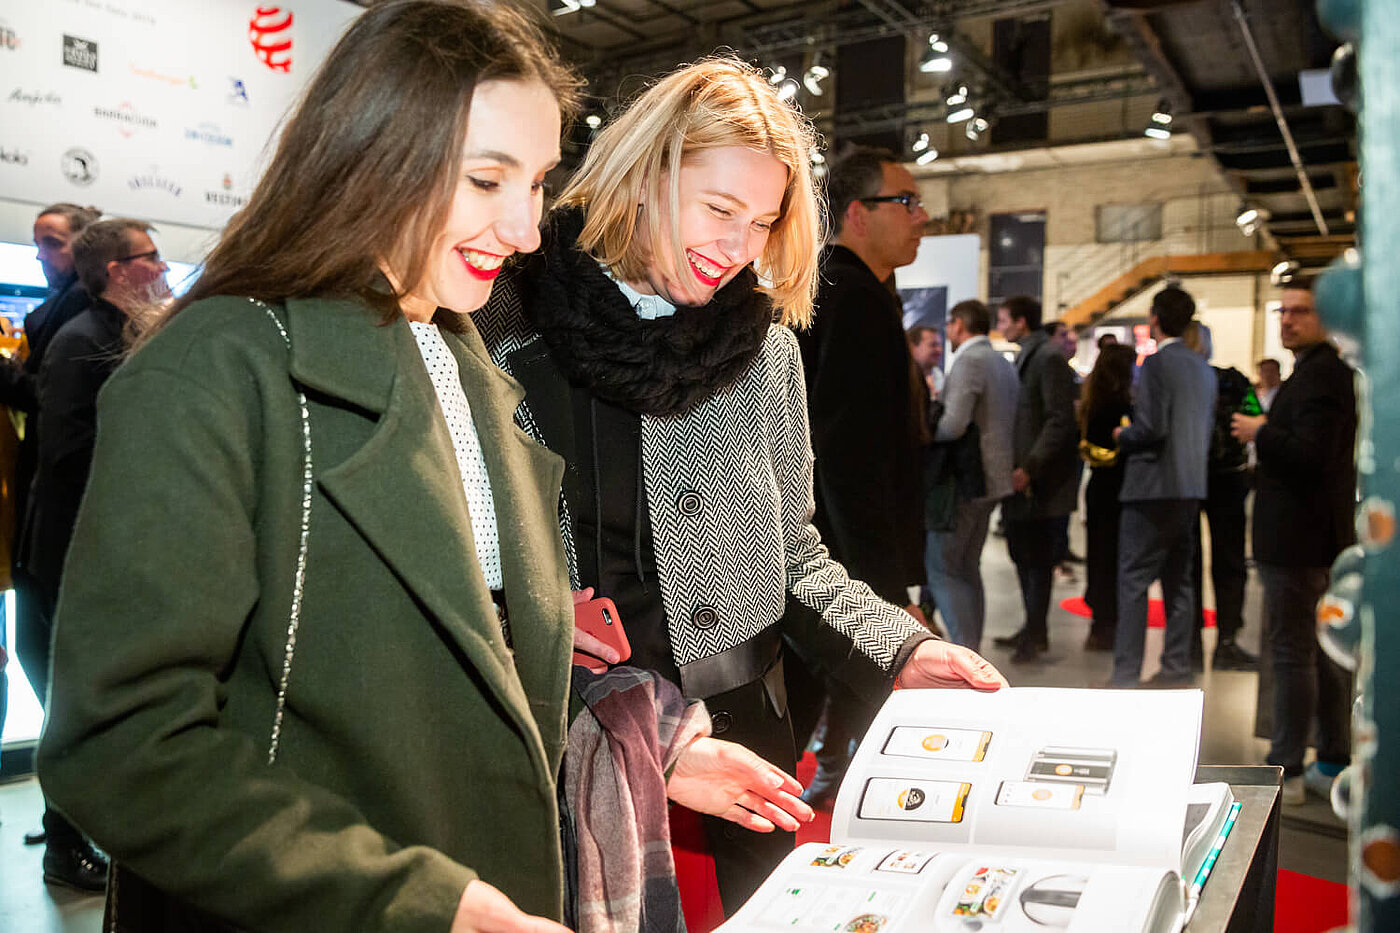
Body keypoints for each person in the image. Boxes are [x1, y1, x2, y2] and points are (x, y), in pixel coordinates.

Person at [37, 6, 809, 931]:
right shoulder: (216, 366)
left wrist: (653, 739)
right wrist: (418, 900)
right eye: (488, 180)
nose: (526, 229)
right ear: (373, 154)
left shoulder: (467, 361)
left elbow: (469, 653)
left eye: (535, 184)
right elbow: (124, 743)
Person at [476, 62, 1008, 912]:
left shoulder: (764, 353)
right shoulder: (505, 324)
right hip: (568, 744)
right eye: (720, 209)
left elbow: (793, 554)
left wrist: (899, 649)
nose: (738, 247)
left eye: (762, 222)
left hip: (749, 744)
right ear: (643, 176)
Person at [795, 146, 935, 809]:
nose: (921, 215)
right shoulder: (850, 297)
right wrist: (885, 590)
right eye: (905, 202)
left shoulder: (856, 290)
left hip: (830, 561)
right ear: (857, 213)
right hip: (838, 567)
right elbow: (849, 458)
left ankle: (830, 770)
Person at [0, 200, 105, 889]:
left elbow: (55, 420)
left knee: (62, 682)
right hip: (42, 530)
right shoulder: (60, 317)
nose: (41, 253)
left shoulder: (79, 328)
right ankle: (65, 822)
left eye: (53, 242)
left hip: (61, 535)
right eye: (38, 242)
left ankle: (69, 833)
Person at [1231, 279, 1355, 806]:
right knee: (1317, 654)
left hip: (1299, 541)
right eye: (1284, 311)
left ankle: (1287, 768)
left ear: (1326, 319)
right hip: (1308, 538)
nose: (1288, 320)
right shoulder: (1315, 374)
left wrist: (1260, 431)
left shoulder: (1322, 377)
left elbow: (1310, 457)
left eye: (1300, 312)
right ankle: (1328, 758)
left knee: (1292, 653)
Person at [1109, 286, 1215, 688]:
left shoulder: (1155, 365)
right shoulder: (1202, 367)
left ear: (1154, 318)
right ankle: (1175, 669)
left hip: (1150, 488)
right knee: (1180, 584)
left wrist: (1123, 435)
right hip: (1189, 487)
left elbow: (1151, 428)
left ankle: (1124, 677)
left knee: (1134, 583)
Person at [924, 299, 1019, 651]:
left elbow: (952, 425)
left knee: (943, 569)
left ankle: (964, 652)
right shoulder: (1001, 361)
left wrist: (925, 422)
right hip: (993, 479)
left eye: (949, 326)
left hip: (966, 480)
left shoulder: (970, 360)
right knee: (966, 567)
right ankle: (972, 648)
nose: (946, 333)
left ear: (960, 325)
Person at [993, 296, 1079, 663]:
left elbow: (1059, 421)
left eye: (1005, 320)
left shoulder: (1047, 358)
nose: (1002, 326)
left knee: (1037, 560)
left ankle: (1035, 633)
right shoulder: (1033, 356)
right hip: (1026, 480)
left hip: (1039, 484)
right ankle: (1031, 629)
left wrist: (1030, 466)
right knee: (1025, 556)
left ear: (1022, 322)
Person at [1182, 322, 1257, 671]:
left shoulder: (1182, 382)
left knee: (1189, 564)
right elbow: (1256, 420)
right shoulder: (1232, 380)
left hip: (1191, 479)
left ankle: (1192, 645)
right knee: (1228, 563)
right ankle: (1226, 642)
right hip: (1226, 479)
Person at [1077, 343, 1135, 652]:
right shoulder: (1119, 405)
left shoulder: (1093, 400)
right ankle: (1108, 626)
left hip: (1100, 488)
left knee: (1100, 558)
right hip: (1117, 489)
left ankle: (1101, 625)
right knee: (1112, 559)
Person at [908, 324, 945, 398]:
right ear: (912, 348)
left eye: (939, 345)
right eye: (933, 345)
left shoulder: (938, 375)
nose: (940, 350)